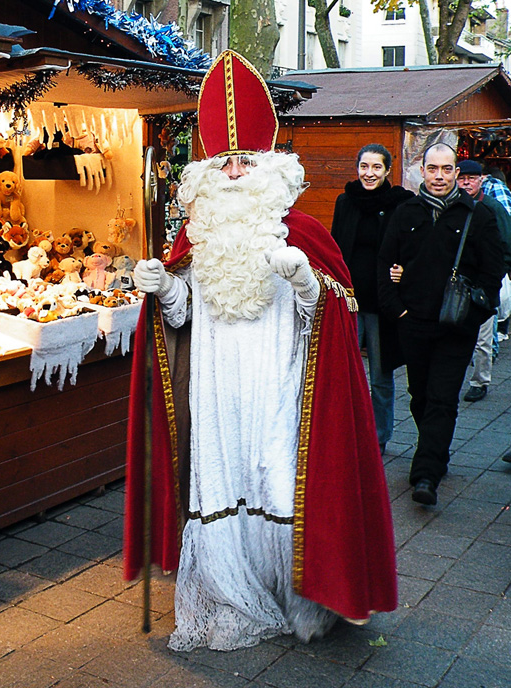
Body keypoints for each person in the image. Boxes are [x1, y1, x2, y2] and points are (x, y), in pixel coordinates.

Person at [123, 50, 397, 652]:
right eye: (225, 159)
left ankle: (302, 599)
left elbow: (326, 321)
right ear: (208, 169)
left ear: (270, 164)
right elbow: (181, 320)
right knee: (220, 481)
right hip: (216, 385)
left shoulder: (302, 234)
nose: (236, 169)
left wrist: (303, 279)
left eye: (246, 158)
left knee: (278, 479)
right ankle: (227, 593)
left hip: (280, 379)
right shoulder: (195, 235)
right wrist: (164, 286)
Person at [378, 143, 504, 506]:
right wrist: (398, 312)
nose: (439, 176)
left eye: (447, 170)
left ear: (455, 174)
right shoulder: (406, 213)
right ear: (423, 170)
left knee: (442, 399)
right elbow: (385, 265)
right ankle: (436, 452)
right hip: (413, 324)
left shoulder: (477, 217)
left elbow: (491, 275)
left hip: (455, 328)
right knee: (420, 396)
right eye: (433, 169)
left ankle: (426, 473)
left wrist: (470, 319)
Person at [331, 144, 413, 454]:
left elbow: (408, 247)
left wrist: (402, 269)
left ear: (387, 171)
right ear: (357, 168)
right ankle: (345, 431)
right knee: (345, 373)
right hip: (350, 301)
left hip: (380, 303)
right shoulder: (345, 202)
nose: (369, 173)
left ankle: (379, 436)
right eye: (364, 166)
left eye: (376, 167)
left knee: (380, 374)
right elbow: (336, 245)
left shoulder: (399, 205)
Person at [456, 159, 511, 402]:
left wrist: (494, 278)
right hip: (455, 285)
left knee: (482, 339)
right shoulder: (451, 206)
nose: (466, 182)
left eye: (471, 178)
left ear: (481, 180)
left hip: (482, 284)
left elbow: (506, 245)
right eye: (462, 177)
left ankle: (479, 381)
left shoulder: (491, 208)